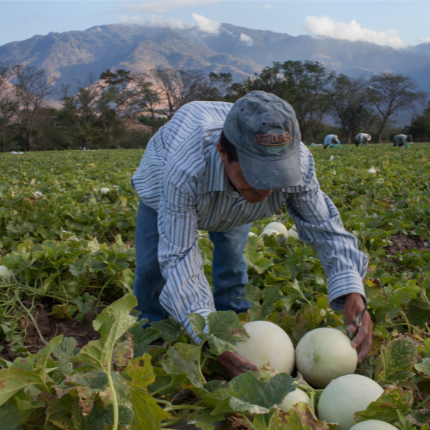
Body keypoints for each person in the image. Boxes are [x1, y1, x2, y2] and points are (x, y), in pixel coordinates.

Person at [131, 91, 372, 378]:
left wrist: (351, 289)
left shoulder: (299, 164)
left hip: (230, 195)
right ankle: (151, 327)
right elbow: (180, 256)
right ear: (223, 152)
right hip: (163, 188)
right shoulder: (186, 170)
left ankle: (233, 315)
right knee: (150, 267)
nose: (266, 190)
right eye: (255, 174)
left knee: (232, 259)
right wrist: (208, 335)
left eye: (276, 175)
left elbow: (325, 228)